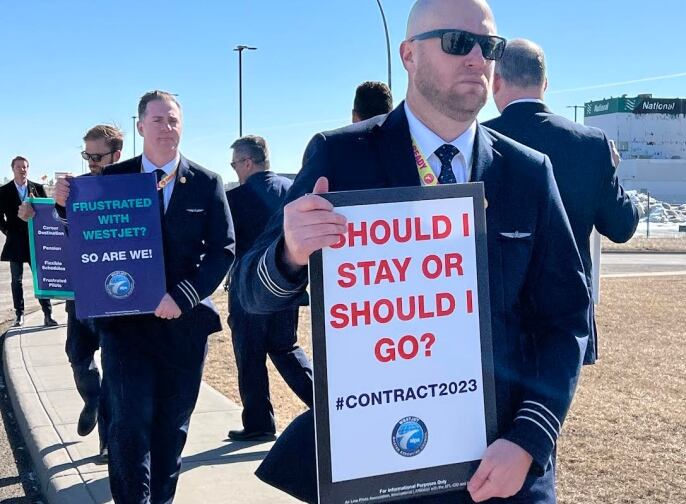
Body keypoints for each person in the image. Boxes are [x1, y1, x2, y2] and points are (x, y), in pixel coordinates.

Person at [232, 1, 589, 502]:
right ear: (408, 55)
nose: (476, 59)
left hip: (499, 465)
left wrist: (530, 438)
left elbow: (567, 317)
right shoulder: (342, 158)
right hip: (379, 465)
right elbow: (252, 291)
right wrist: (288, 253)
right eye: (456, 42)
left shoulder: (528, 173)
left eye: (489, 46)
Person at [54, 91, 235, 503]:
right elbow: (87, 240)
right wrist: (66, 208)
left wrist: (183, 297)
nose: (166, 128)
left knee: (172, 428)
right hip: (126, 327)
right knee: (128, 428)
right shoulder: (113, 179)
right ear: (139, 128)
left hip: (182, 326)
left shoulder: (206, 183)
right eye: (157, 121)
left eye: (172, 120)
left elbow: (223, 249)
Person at [485, 39, 639, 365]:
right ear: (545, 83)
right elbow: (622, 226)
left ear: (495, 80)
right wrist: (611, 173)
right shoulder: (591, 144)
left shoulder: (477, 142)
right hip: (565, 316)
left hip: (495, 316)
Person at [20, 125, 124, 462]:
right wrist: (32, 216)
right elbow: (54, 222)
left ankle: (108, 443)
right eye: (86, 156)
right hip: (79, 294)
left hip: (117, 296)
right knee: (78, 357)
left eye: (97, 156)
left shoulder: (132, 185)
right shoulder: (74, 189)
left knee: (114, 369)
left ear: (116, 155)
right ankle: (90, 398)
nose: (90, 162)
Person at [225, 135, 313, 442]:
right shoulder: (292, 192)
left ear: (248, 162)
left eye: (235, 163)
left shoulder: (234, 199)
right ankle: (324, 405)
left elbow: (227, 246)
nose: (234, 169)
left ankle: (259, 422)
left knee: (249, 356)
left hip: (249, 291)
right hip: (287, 285)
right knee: (285, 348)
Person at [0, 156, 57, 327]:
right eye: (19, 167)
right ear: (13, 169)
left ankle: (47, 314)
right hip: (15, 241)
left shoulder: (37, 188)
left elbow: (48, 212)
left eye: (25, 167)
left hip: (35, 241)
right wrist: (8, 231)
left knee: (40, 277)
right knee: (16, 280)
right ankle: (19, 314)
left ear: (28, 168)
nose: (22, 169)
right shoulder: (3, 191)